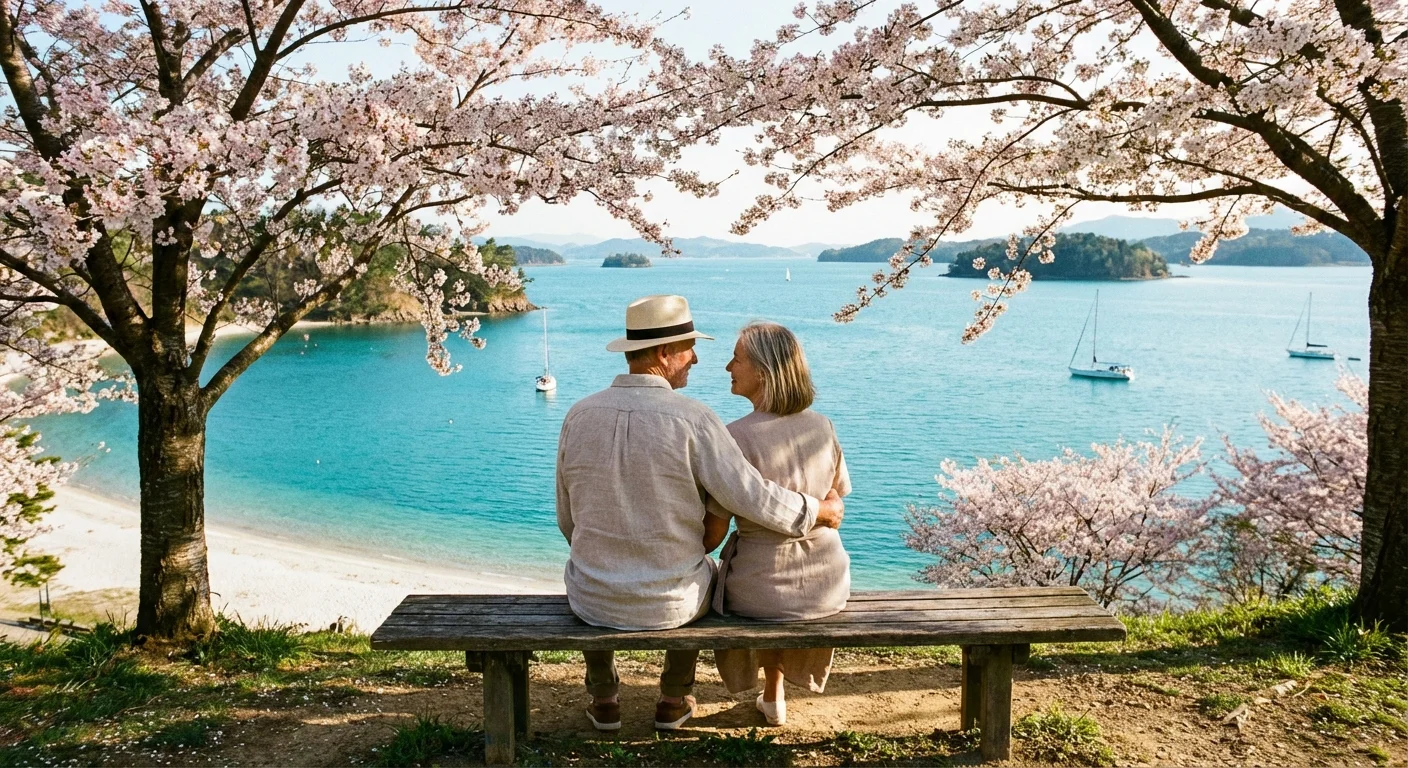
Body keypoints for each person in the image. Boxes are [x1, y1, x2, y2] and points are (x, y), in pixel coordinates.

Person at [555, 295, 845, 732]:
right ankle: (672, 699)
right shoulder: (694, 419)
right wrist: (816, 510)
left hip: (592, 599)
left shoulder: (578, 415)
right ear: (664, 354)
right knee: (702, 568)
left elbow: (567, 519)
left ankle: (603, 698)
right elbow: (752, 496)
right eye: (688, 347)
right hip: (671, 604)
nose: (696, 357)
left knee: (587, 560)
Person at [706, 321, 851, 727]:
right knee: (775, 583)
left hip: (762, 591)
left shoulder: (732, 437)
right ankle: (774, 693)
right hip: (827, 586)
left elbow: (713, 533)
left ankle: (768, 692)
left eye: (737, 358)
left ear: (764, 372)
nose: (727, 366)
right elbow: (837, 498)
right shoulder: (822, 426)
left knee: (747, 581)